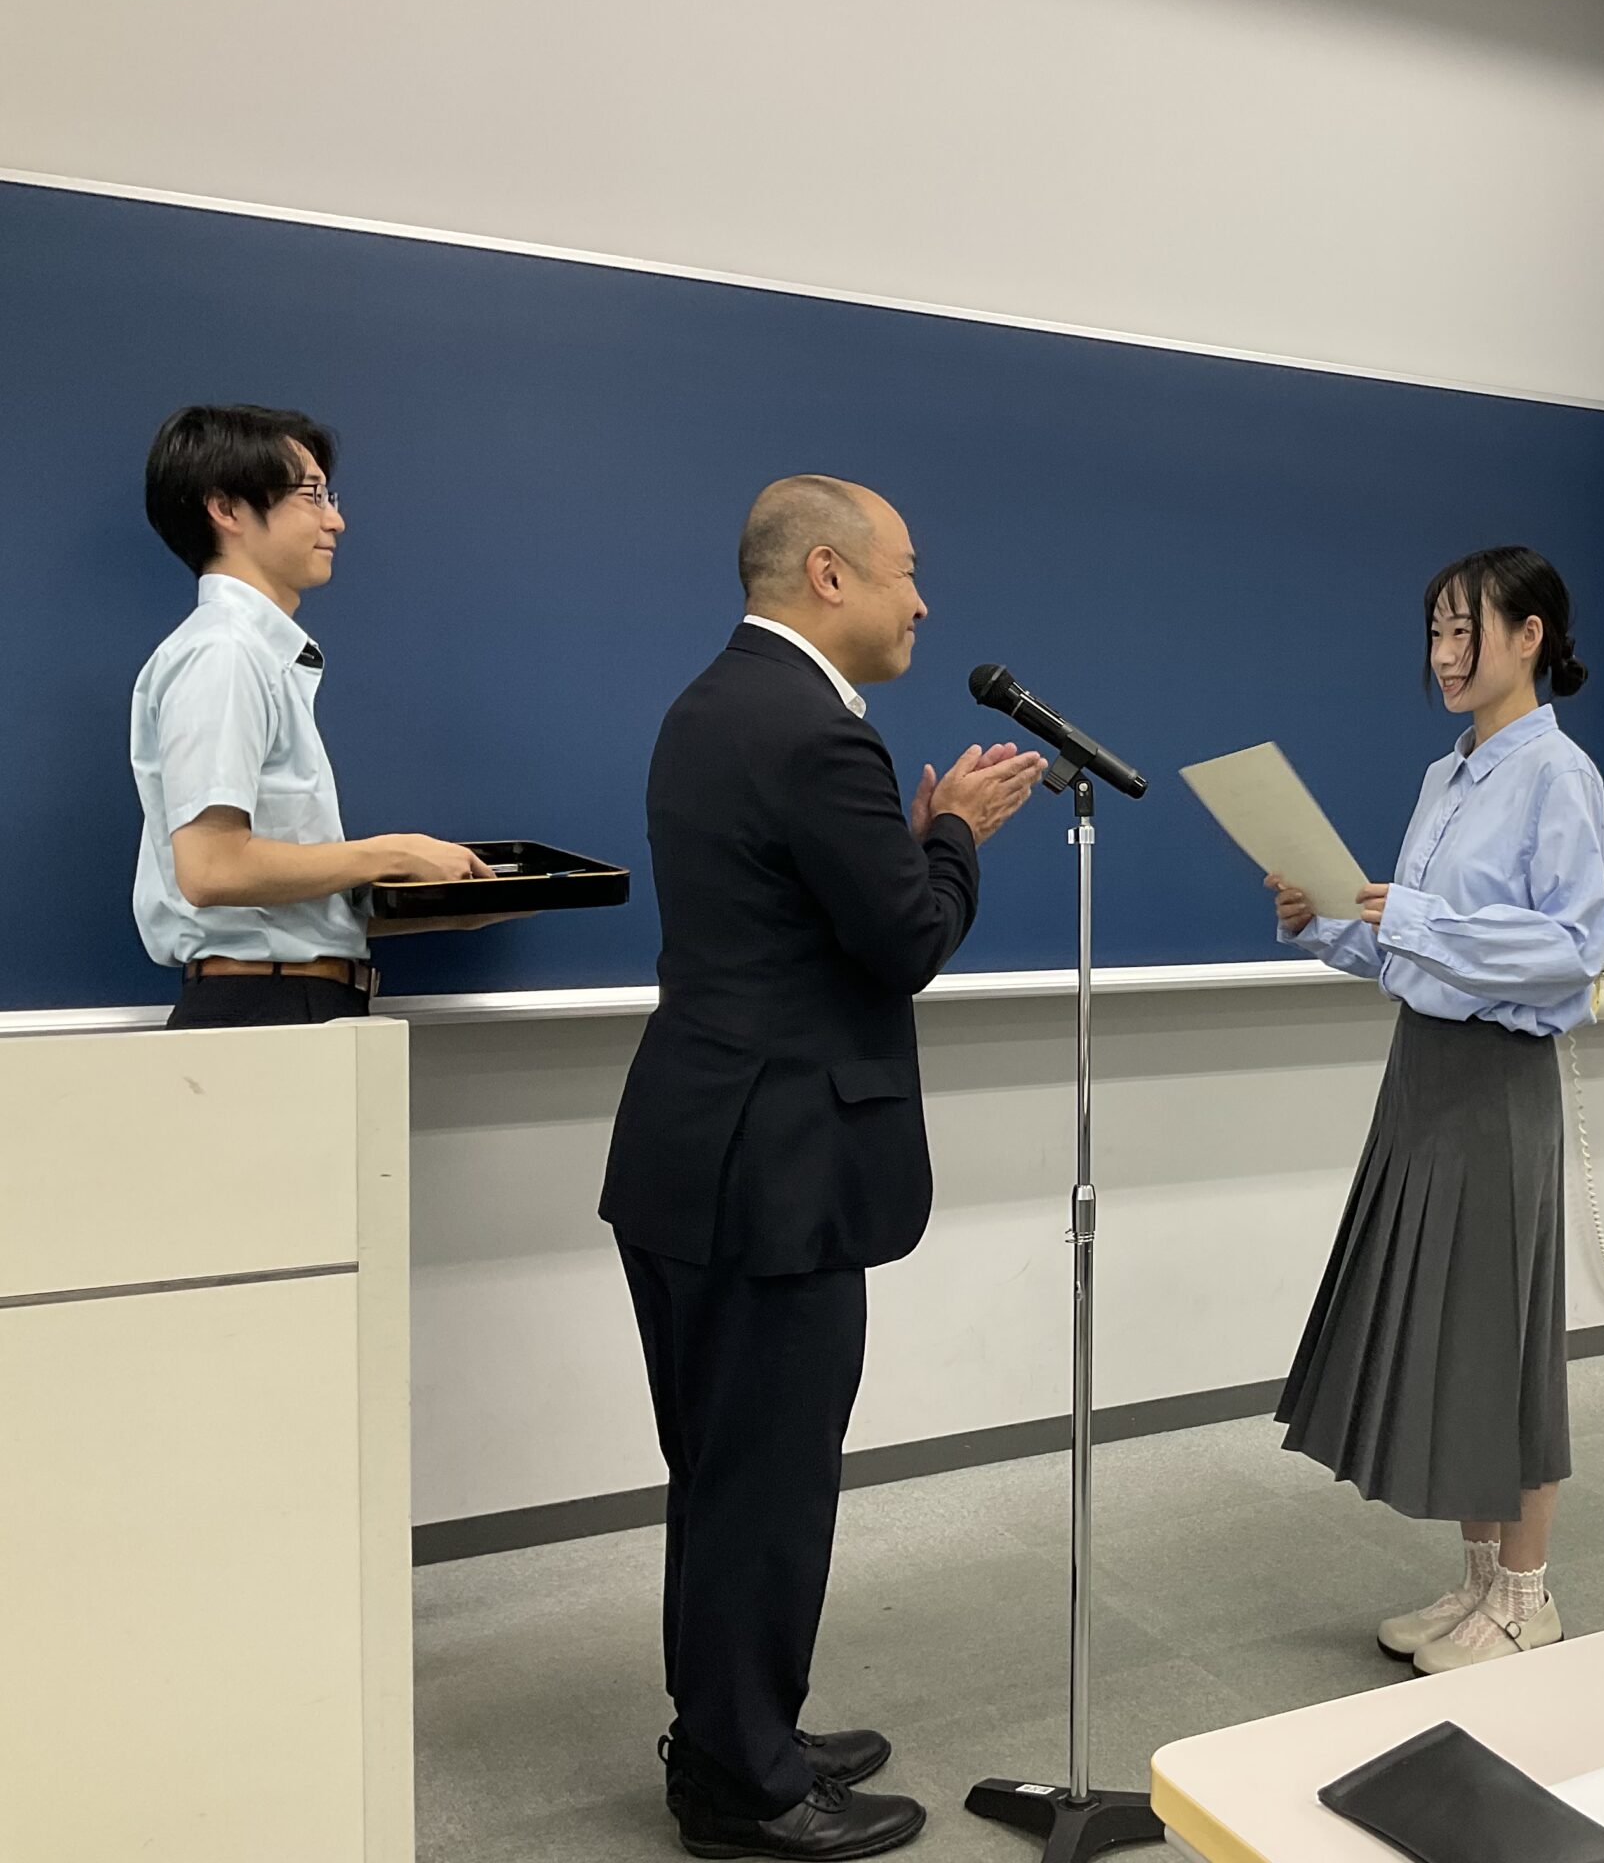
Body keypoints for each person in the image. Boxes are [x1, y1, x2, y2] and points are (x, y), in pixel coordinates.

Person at [599, 476, 1044, 1859]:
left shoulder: (712, 704)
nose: (924, 602)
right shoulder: (818, 734)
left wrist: (906, 855)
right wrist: (956, 836)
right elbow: (904, 942)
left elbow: (803, 918)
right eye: (906, 572)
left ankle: (737, 1729)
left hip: (691, 1149)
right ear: (829, 574)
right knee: (768, 1485)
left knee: (721, 1472)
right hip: (774, 1172)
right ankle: (744, 1787)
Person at [1270, 545, 1604, 1677]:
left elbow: (1569, 950)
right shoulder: (1445, 775)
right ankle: (1477, 1585)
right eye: (1435, 631)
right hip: (1422, 1072)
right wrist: (1326, 920)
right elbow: (1411, 948)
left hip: (1496, 1083)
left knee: (1506, 1342)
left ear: (1530, 636)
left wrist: (1412, 919)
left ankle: (1526, 1596)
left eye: (1467, 630)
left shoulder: (1557, 773)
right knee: (1456, 1339)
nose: (1446, 654)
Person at [130, 403, 506, 1029]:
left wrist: (445, 898)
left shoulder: (254, 653)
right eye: (311, 495)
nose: (335, 518)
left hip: (291, 1001)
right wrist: (388, 853)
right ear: (226, 509)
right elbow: (212, 868)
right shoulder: (224, 653)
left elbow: (277, 905)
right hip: (264, 1010)